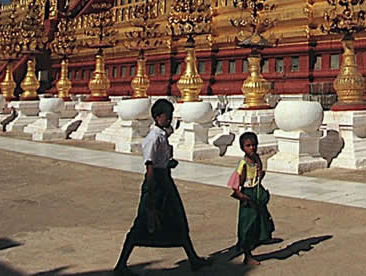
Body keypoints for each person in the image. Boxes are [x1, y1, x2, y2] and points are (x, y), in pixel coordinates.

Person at [114, 99, 208, 274]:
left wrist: (168, 164)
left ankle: (193, 258)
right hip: (156, 185)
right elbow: (149, 168)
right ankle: (121, 264)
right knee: (141, 224)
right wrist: (150, 196)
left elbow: (159, 161)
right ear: (157, 117)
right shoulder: (153, 138)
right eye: (167, 116)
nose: (169, 120)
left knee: (178, 220)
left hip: (165, 181)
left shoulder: (162, 135)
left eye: (171, 116)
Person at [230, 131, 274, 266]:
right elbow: (235, 185)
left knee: (259, 222)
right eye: (248, 146)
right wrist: (243, 198)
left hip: (256, 193)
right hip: (248, 196)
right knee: (247, 226)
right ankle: (247, 255)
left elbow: (258, 175)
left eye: (254, 145)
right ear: (243, 147)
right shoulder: (242, 164)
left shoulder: (256, 159)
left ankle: (256, 244)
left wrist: (261, 174)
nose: (252, 148)